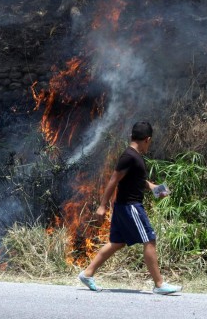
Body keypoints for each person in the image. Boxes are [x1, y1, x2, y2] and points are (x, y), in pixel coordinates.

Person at [78, 121, 182, 295]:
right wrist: (102, 206)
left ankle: (87, 274)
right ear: (147, 139)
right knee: (149, 239)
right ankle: (159, 285)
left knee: (117, 243)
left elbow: (138, 180)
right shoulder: (130, 156)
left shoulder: (134, 156)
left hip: (123, 206)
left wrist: (156, 189)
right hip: (130, 206)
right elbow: (113, 180)